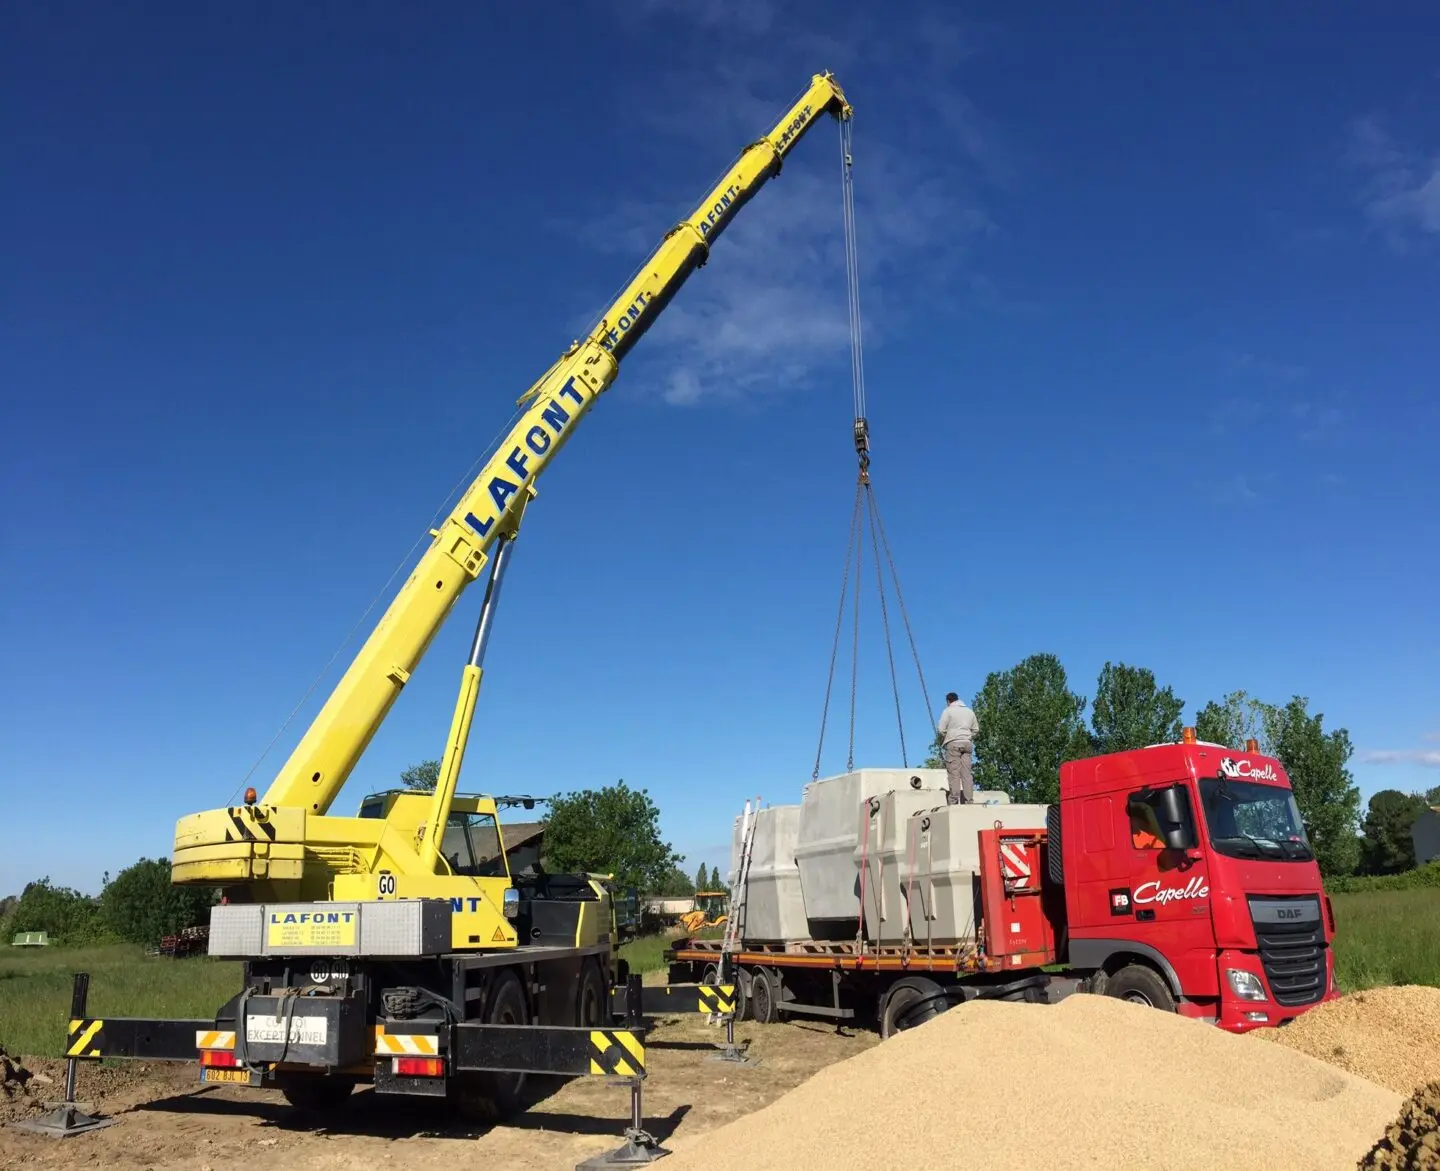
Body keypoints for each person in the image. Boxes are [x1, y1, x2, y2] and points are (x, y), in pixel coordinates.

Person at [936, 692, 979, 804]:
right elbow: (976, 729)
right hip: (967, 743)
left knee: (954, 773)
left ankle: (954, 801)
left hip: (953, 743)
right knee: (967, 774)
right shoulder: (969, 711)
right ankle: (969, 801)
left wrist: (950, 734)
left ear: (948, 701)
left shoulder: (948, 711)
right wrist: (967, 736)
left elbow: (941, 729)